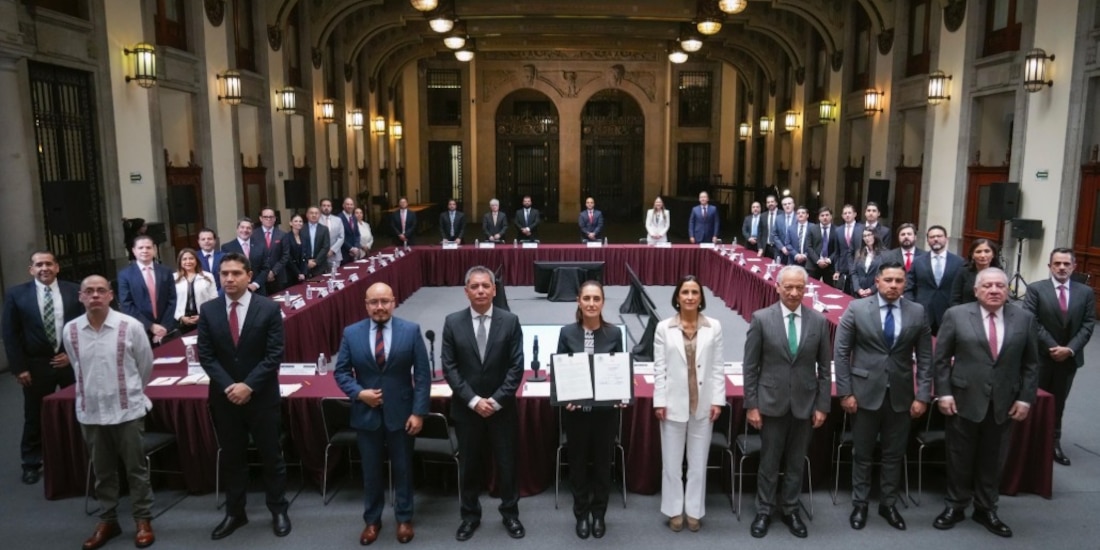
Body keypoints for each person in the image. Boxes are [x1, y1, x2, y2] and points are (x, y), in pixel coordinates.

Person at [932, 267, 1038, 538]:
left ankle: (986, 508)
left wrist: (1025, 399)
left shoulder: (1024, 318)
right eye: (987, 286)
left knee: (994, 459)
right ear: (976, 290)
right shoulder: (956, 315)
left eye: (1000, 286)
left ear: (1007, 290)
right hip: (962, 399)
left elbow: (1031, 364)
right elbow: (940, 359)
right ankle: (955, 505)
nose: (994, 290)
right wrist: (944, 393)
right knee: (959, 457)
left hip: (1004, 402)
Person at [197, 252, 291, 540]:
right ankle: (235, 512)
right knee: (232, 457)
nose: (229, 279)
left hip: (261, 396)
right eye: (224, 273)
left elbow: (274, 354)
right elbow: (206, 356)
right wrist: (230, 386)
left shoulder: (268, 308)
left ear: (249, 275)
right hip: (225, 398)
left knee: (271, 454)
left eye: (236, 273)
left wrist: (248, 386)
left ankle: (278, 509)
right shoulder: (209, 310)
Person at [834, 262, 933, 531]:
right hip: (863, 394)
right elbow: (841, 353)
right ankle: (860, 503)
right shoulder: (856, 308)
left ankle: (888, 503)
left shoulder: (917, 311)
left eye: (899, 281)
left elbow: (926, 357)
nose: (893, 285)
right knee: (862, 453)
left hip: (902, 395)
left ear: (905, 284)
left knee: (894, 454)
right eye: (888, 280)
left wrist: (923, 395)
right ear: (877, 281)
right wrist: (845, 392)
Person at [63, 275, 156, 550]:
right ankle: (108, 520)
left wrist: (129, 392)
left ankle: (142, 519)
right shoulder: (71, 330)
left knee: (136, 469)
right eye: (89, 291)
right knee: (103, 471)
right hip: (91, 412)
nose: (95, 295)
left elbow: (145, 365)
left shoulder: (130, 326)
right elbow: (76, 366)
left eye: (100, 291)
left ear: (110, 295)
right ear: (80, 296)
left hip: (127, 410)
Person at [334, 282, 430, 545]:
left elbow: (422, 375)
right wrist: (359, 393)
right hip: (366, 415)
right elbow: (341, 372)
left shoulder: (410, 331)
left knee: (403, 469)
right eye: (374, 302)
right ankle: (372, 521)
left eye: (385, 301)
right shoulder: (351, 333)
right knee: (371, 472)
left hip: (402, 414)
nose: (379, 307)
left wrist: (419, 412)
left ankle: (404, 518)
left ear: (393, 302)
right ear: (366, 305)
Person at [743, 265, 831, 539]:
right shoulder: (761, 319)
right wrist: (752, 405)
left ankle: (791, 509)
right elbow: (750, 366)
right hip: (771, 402)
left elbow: (825, 369)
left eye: (799, 288)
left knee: (795, 462)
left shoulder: (818, 321)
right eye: (789, 287)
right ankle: (764, 510)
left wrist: (822, 405)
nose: (794, 293)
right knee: (769, 462)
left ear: (806, 289)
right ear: (777, 287)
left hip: (805, 404)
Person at [441, 266, 525, 541]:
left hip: (502, 410)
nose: (480, 291)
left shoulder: (510, 321)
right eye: (474, 286)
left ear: (494, 290)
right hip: (467, 410)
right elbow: (450, 367)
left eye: (485, 286)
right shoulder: (452, 322)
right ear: (466, 291)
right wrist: (475, 400)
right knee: (469, 466)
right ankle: (469, 516)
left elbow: (516, 366)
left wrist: (496, 401)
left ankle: (510, 514)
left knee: (507, 465)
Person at [2, 251, 83, 485]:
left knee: (77, 411)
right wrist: (19, 368)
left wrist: (72, 354)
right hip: (35, 366)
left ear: (57, 267)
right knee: (34, 415)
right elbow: (10, 334)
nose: (44, 268)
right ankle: (31, 462)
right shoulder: (16, 294)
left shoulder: (73, 291)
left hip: (69, 363)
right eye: (39, 265)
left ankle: (79, 457)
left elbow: (83, 326)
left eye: (48, 263)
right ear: (31, 270)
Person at [653, 275, 725, 533]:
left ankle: (694, 510)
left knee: (697, 464)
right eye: (685, 292)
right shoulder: (664, 328)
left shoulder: (714, 326)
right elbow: (659, 368)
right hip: (672, 404)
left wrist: (718, 400)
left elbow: (717, 366)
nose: (690, 297)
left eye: (695, 292)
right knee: (672, 465)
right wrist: (659, 401)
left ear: (701, 297)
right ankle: (674, 509)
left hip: (703, 404)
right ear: (677, 297)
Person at [555, 281, 624, 539]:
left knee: (603, 466)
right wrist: (566, 397)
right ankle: (581, 514)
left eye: (596, 299)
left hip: (605, 415)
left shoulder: (614, 333)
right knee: (578, 466)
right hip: (576, 414)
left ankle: (599, 514)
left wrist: (621, 394)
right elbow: (560, 371)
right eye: (587, 298)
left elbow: (619, 369)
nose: (592, 303)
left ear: (603, 302)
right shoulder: (566, 333)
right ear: (579, 301)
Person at [1023, 248, 1096, 466]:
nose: (1062, 268)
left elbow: (1088, 324)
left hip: (1069, 359)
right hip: (1041, 357)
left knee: (1058, 402)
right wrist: (1053, 347)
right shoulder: (1036, 289)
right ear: (1050, 266)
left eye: (1066, 264)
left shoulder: (1086, 292)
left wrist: (1069, 349)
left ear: (1074, 267)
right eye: (1057, 263)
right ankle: (1029, 443)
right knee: (1033, 399)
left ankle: (1053, 441)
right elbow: (1031, 320)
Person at [904, 225, 963, 335]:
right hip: (923, 313)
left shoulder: (959, 262)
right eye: (932, 237)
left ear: (946, 239)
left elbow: (961, 289)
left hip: (948, 313)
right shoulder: (918, 261)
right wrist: (912, 306)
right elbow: (908, 287)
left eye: (939, 236)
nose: (935, 239)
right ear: (927, 240)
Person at [117, 235, 177, 343]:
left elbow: (172, 299)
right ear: (134, 251)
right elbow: (126, 304)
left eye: (148, 247)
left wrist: (164, 326)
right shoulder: (125, 275)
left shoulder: (166, 271)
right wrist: (150, 326)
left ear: (154, 249)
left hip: (165, 329)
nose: (145, 251)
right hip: (140, 330)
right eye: (141, 248)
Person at [172, 248, 218, 333]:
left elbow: (214, 300)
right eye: (184, 259)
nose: (188, 261)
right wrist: (180, 317)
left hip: (203, 318)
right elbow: (170, 302)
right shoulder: (173, 278)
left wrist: (202, 316)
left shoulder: (208, 276)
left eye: (191, 258)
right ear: (180, 262)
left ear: (196, 260)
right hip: (181, 321)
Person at [221, 217, 269, 296]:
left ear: (252, 231)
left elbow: (265, 268)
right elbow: (227, 269)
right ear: (237, 229)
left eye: (248, 228)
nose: (245, 230)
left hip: (258, 290)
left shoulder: (260, 246)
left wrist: (255, 284)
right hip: (237, 290)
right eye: (242, 227)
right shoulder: (227, 247)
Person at [950, 239, 1002, 306]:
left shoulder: (999, 274)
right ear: (972, 255)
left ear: (993, 254)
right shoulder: (963, 272)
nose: (983, 255)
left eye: (987, 251)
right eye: (978, 252)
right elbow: (954, 299)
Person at [257, 208, 290, 294]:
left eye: (271, 217)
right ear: (260, 218)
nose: (268, 219)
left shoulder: (282, 235)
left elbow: (285, 256)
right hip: (260, 278)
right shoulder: (253, 235)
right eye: (265, 217)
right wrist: (265, 273)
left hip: (278, 277)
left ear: (275, 219)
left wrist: (273, 271)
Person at [833, 204, 865, 293]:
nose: (847, 215)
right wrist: (837, 270)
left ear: (855, 214)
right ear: (842, 216)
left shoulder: (862, 228)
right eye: (845, 213)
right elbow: (837, 252)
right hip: (843, 268)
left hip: (858, 265)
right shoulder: (838, 230)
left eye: (849, 213)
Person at [783, 206, 820, 276]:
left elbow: (815, 244)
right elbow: (787, 244)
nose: (800, 214)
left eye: (803, 213)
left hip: (809, 262)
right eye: (798, 213)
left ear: (807, 215)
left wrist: (805, 255)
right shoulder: (791, 228)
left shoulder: (814, 227)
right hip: (793, 261)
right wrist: (796, 255)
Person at [849, 228, 885, 298]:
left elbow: (884, 275)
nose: (867, 238)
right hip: (859, 293)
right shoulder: (859, 252)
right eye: (864, 236)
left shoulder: (884, 254)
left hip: (876, 293)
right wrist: (858, 289)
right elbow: (854, 272)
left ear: (875, 236)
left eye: (869, 235)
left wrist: (872, 289)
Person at [810, 206, 839, 285]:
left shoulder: (837, 230)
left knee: (830, 289)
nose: (825, 217)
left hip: (830, 266)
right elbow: (809, 247)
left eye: (827, 215)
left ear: (831, 216)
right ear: (819, 217)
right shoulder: (812, 229)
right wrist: (818, 260)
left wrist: (829, 260)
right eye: (822, 215)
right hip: (814, 265)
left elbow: (837, 248)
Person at [304, 206, 333, 276]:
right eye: (311, 213)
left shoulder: (324, 229)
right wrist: (307, 261)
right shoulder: (301, 229)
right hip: (304, 265)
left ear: (319, 215)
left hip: (320, 265)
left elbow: (326, 247)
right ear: (307, 215)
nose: (314, 215)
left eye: (316, 213)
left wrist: (316, 261)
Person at [320, 198, 347, 265]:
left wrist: (332, 250)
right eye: (324, 205)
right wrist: (324, 252)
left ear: (331, 207)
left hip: (335, 255)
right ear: (320, 207)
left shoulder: (338, 220)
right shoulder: (317, 220)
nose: (326, 208)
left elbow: (341, 237)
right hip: (320, 256)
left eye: (328, 206)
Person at [769, 196, 796, 264]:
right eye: (785, 204)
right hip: (780, 252)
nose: (787, 206)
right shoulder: (778, 218)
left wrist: (791, 250)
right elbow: (774, 235)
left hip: (795, 253)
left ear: (793, 205)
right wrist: (782, 247)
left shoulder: (799, 218)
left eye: (789, 203)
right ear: (782, 206)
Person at [339, 197, 364, 264]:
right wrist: (350, 249)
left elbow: (357, 234)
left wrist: (356, 247)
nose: (349, 206)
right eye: (347, 204)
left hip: (355, 253)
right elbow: (339, 237)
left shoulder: (354, 217)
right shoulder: (339, 218)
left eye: (351, 204)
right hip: (344, 253)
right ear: (343, 205)